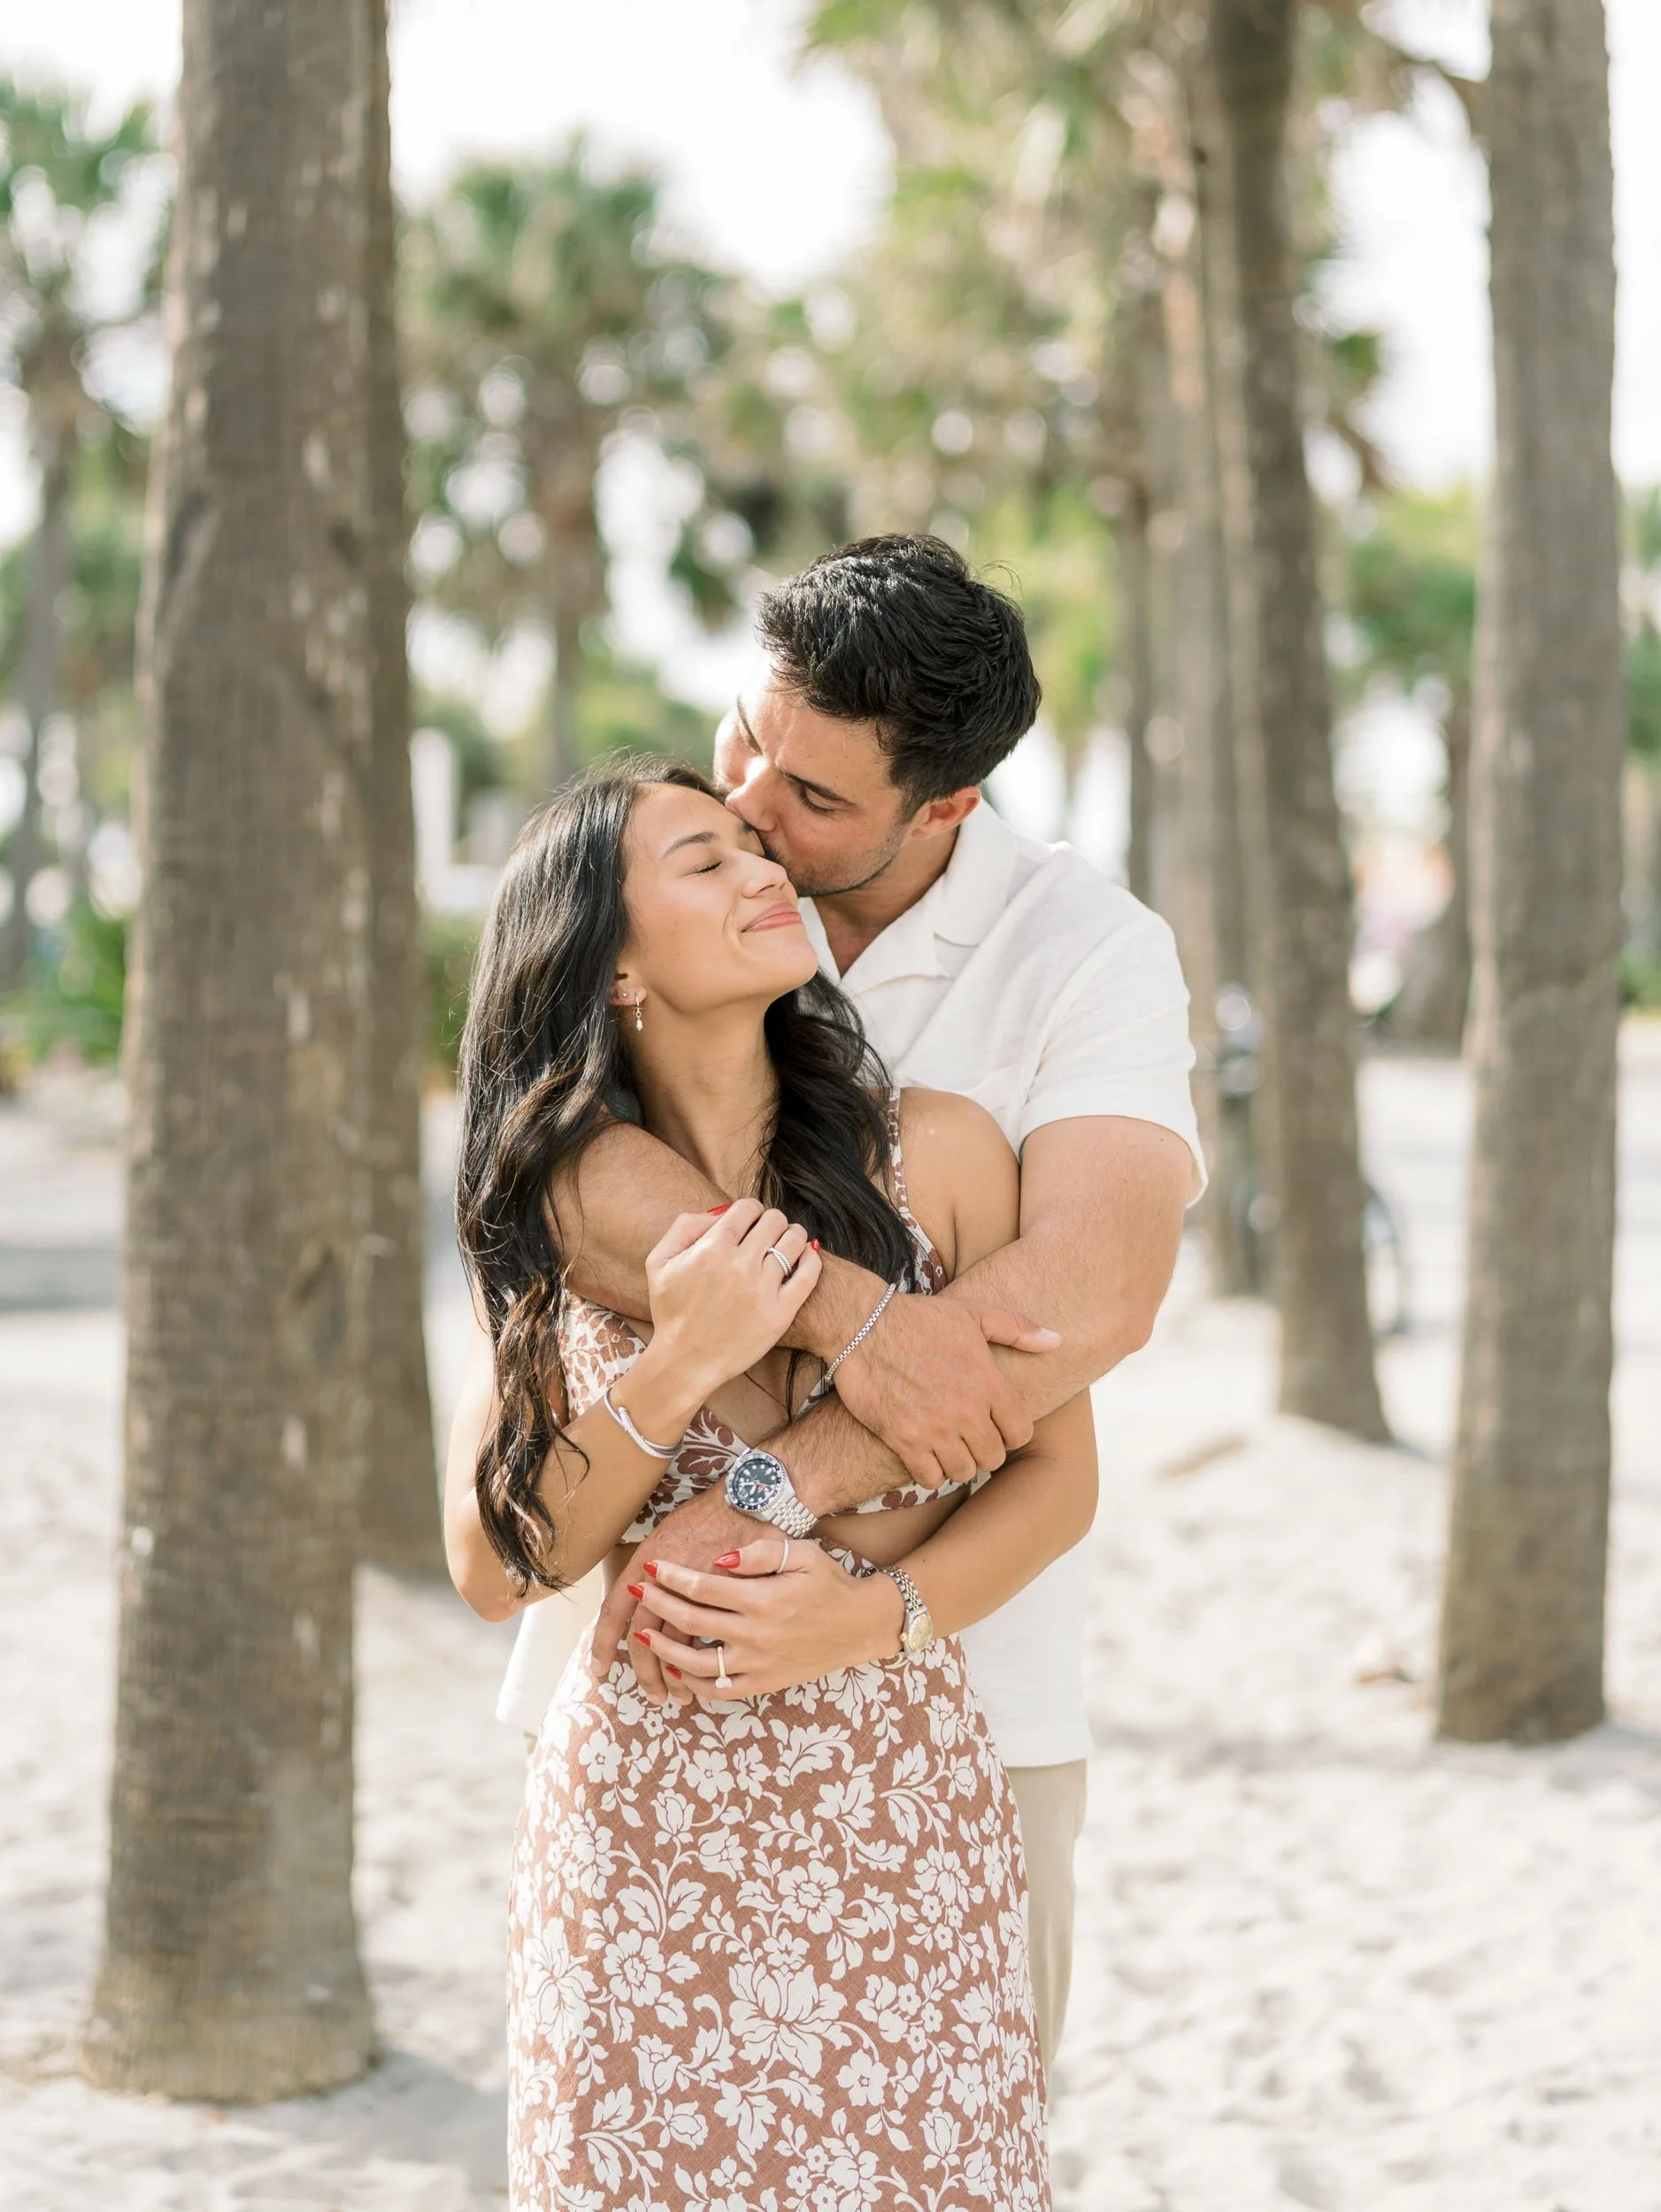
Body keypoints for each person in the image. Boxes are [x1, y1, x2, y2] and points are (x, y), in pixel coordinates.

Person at [496, 534, 1203, 2072]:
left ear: (946, 803)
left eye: (813, 800)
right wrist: (857, 1318)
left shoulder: (1085, 954)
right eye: (749, 738)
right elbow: (566, 1169)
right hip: (640, 1696)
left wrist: (786, 1494)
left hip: (967, 1702)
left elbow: (1089, 1295)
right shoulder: (692, 885)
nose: (751, 810)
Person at [446, 757, 1080, 2208]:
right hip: (640, 1841)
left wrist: (872, 1620)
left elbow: (1056, 1478)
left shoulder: (948, 1153)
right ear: (609, 966)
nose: (763, 877)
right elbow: (496, 1566)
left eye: (757, 852)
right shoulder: (549, 1201)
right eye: (705, 862)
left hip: (897, 1812)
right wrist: (672, 1371)